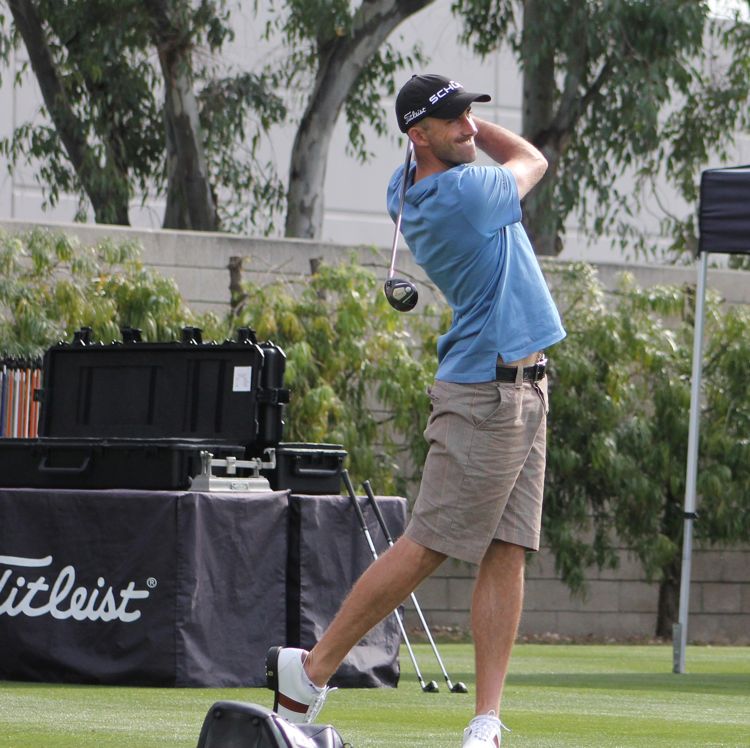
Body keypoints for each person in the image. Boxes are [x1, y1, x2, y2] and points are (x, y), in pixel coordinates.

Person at [265, 73, 566, 747]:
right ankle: (309, 672)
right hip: (487, 392)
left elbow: (437, 157)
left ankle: (485, 721)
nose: (469, 127)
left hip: (524, 386)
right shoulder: (465, 193)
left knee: (507, 549)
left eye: (470, 115)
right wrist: (477, 136)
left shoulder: (408, 186)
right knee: (427, 546)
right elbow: (533, 160)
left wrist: (451, 126)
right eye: (454, 120)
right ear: (419, 135)